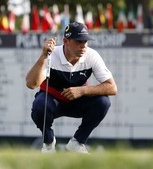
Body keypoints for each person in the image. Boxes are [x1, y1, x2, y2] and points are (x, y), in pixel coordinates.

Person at [26, 21, 117, 153]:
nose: (83, 46)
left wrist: (82, 90)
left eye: (85, 42)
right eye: (78, 42)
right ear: (66, 41)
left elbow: (112, 87)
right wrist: (43, 56)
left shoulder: (92, 56)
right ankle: (48, 143)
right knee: (39, 106)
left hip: (77, 101)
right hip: (53, 101)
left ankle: (77, 143)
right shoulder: (52, 55)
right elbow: (31, 84)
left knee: (103, 102)